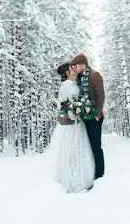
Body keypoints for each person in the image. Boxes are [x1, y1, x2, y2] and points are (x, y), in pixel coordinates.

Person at [46, 61, 95, 193]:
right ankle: (72, 180)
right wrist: (73, 110)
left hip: (78, 122)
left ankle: (82, 178)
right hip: (70, 124)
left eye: (73, 67)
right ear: (67, 72)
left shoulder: (75, 83)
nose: (74, 69)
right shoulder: (66, 86)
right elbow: (64, 104)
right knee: (71, 150)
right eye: (71, 68)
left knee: (79, 149)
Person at [71, 53, 105, 179]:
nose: (76, 68)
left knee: (96, 146)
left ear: (83, 65)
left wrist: (97, 115)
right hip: (84, 116)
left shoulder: (94, 75)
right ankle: (91, 172)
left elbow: (101, 96)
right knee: (88, 145)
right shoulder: (79, 77)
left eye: (77, 66)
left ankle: (100, 174)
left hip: (95, 117)